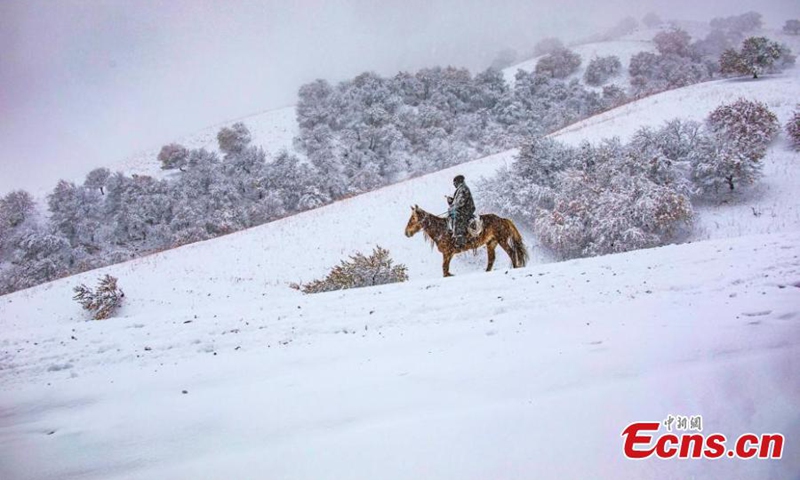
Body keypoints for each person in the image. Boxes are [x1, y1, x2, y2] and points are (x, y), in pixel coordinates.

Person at [446, 175, 475, 248]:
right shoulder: (460, 189)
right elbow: (457, 202)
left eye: (454, 183)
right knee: (451, 216)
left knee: (458, 218)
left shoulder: (463, 189)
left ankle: (460, 238)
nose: (454, 184)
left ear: (458, 182)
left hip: (466, 209)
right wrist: (451, 201)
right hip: (463, 208)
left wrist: (452, 207)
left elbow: (460, 202)